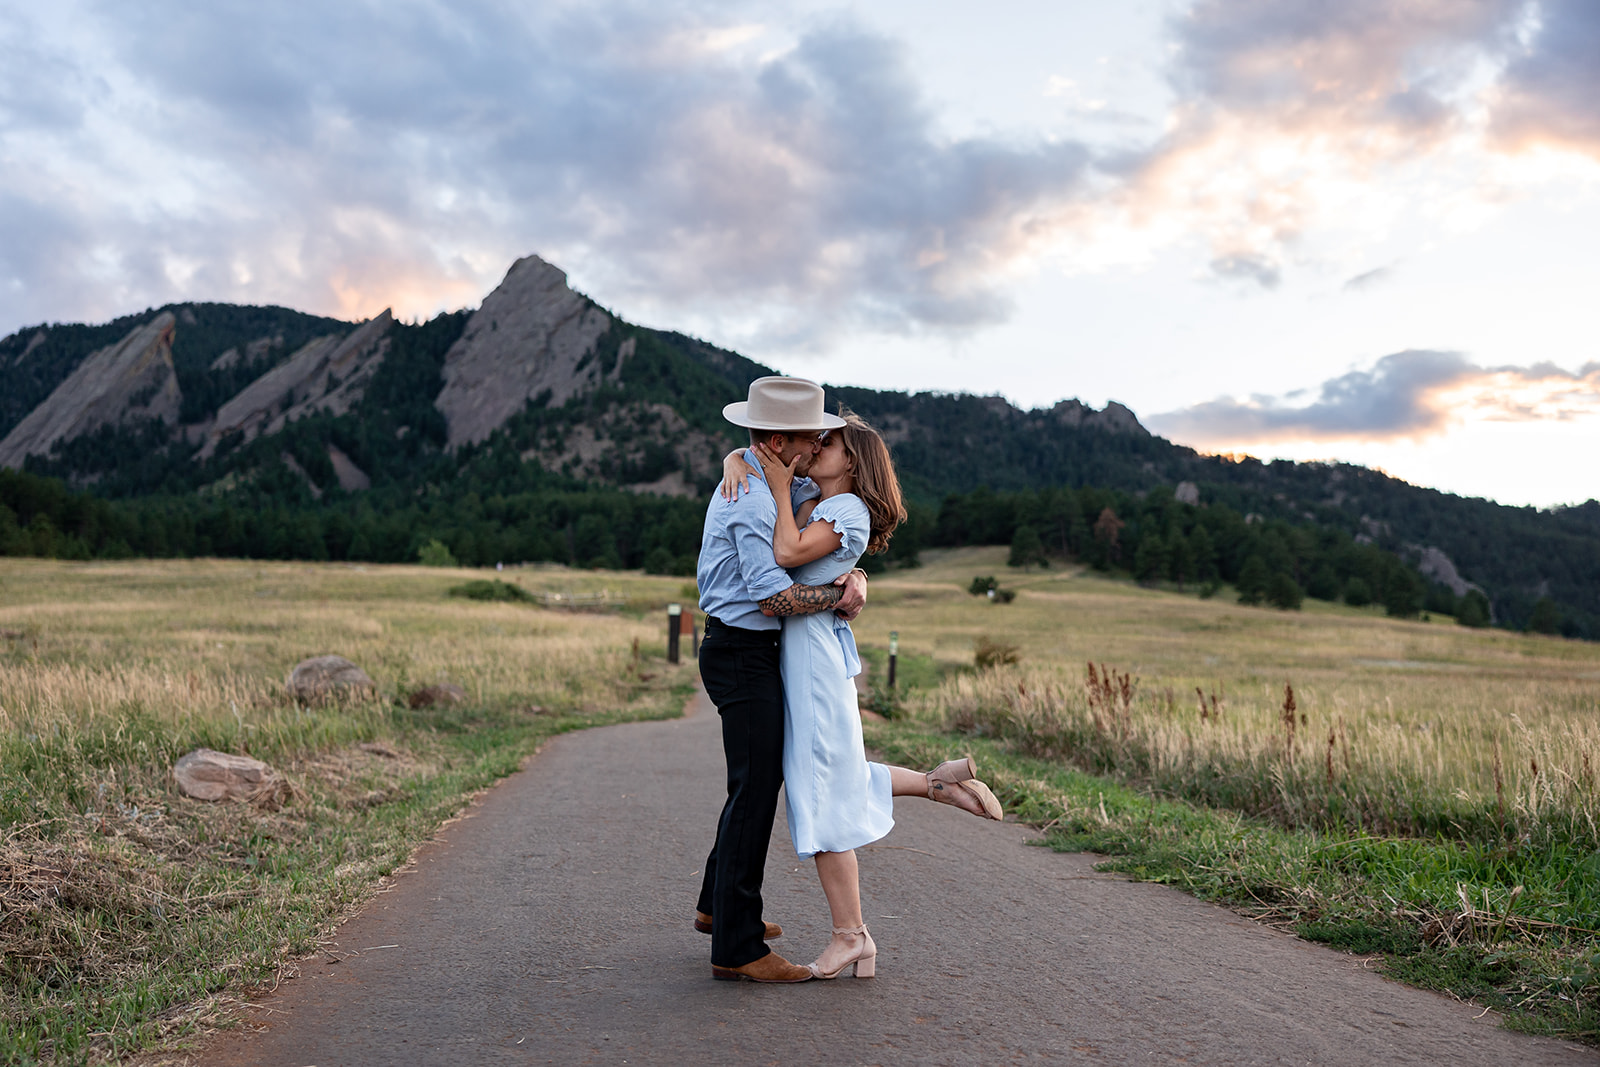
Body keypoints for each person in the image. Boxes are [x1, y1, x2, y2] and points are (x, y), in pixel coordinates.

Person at [724, 410, 1003, 982]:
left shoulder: (844, 508)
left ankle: (851, 935)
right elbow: (766, 477)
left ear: (852, 459)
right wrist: (740, 458)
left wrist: (778, 490)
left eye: (828, 442)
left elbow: (783, 555)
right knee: (830, 771)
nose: (817, 446)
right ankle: (935, 784)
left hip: (815, 660)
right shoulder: (817, 496)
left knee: (821, 787)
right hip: (802, 651)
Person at [694, 376, 870, 984]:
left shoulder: (772, 477)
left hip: (751, 652)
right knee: (756, 787)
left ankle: (718, 904)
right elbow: (773, 599)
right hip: (741, 649)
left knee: (754, 782)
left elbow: (827, 524)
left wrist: (856, 571)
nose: (819, 442)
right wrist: (842, 596)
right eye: (809, 435)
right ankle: (738, 948)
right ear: (780, 440)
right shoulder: (748, 497)